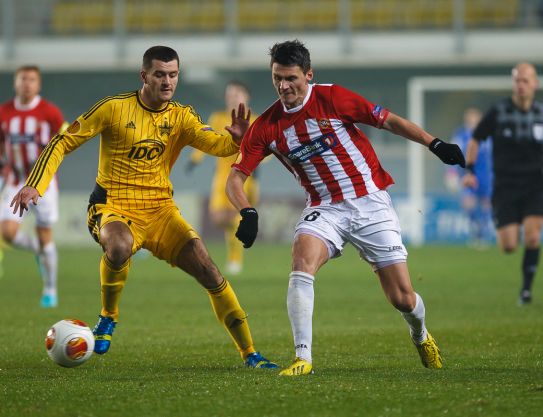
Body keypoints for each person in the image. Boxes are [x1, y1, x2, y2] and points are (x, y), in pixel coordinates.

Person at [10, 46, 277, 369]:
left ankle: (250, 354)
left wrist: (235, 140)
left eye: (173, 75)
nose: (167, 81)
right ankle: (108, 316)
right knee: (119, 245)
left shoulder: (181, 116)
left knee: (209, 270)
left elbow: (215, 145)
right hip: (112, 206)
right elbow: (62, 141)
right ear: (144, 76)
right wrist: (35, 183)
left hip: (161, 211)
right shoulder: (113, 108)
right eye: (160, 74)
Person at [226, 40, 465, 376]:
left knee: (402, 298)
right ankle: (303, 358)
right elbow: (235, 179)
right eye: (277, 78)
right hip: (324, 208)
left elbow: (388, 121)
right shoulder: (266, 126)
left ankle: (420, 334)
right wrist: (247, 211)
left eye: (291, 78)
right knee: (301, 259)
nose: (283, 86)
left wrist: (434, 143)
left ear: (308, 75)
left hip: (370, 202)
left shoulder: (332, 97)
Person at [463, 62, 543, 306]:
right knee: (508, 245)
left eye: (525, 80)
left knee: (533, 237)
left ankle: (526, 290)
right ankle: (511, 230)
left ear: (535, 84)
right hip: (506, 186)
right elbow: (475, 139)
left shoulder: (541, 113)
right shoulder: (499, 111)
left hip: (535, 184)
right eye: (517, 80)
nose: (521, 85)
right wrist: (470, 170)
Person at [0, 65, 65, 308]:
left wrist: (49, 168)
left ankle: (50, 290)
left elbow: (65, 140)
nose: (27, 83)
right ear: (15, 83)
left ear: (38, 85)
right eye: (23, 79)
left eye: (32, 79)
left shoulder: (50, 112)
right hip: (16, 181)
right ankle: (41, 252)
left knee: (44, 233)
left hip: (43, 184)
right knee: (7, 232)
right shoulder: (4, 112)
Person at [187, 81, 259, 275]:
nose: (232, 98)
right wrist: (195, 159)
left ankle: (235, 259)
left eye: (236, 94)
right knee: (219, 219)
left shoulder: (255, 120)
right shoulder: (218, 118)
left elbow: (266, 147)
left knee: (235, 215)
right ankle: (241, 229)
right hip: (220, 176)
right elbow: (206, 138)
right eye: (229, 95)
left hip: (244, 176)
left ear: (246, 97)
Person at [445, 107, 493, 247]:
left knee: (486, 204)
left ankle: (483, 233)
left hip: (486, 176)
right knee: (468, 204)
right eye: (470, 120)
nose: (472, 122)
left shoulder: (488, 135)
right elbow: (452, 154)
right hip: (468, 175)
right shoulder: (461, 136)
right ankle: (476, 230)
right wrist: (451, 174)